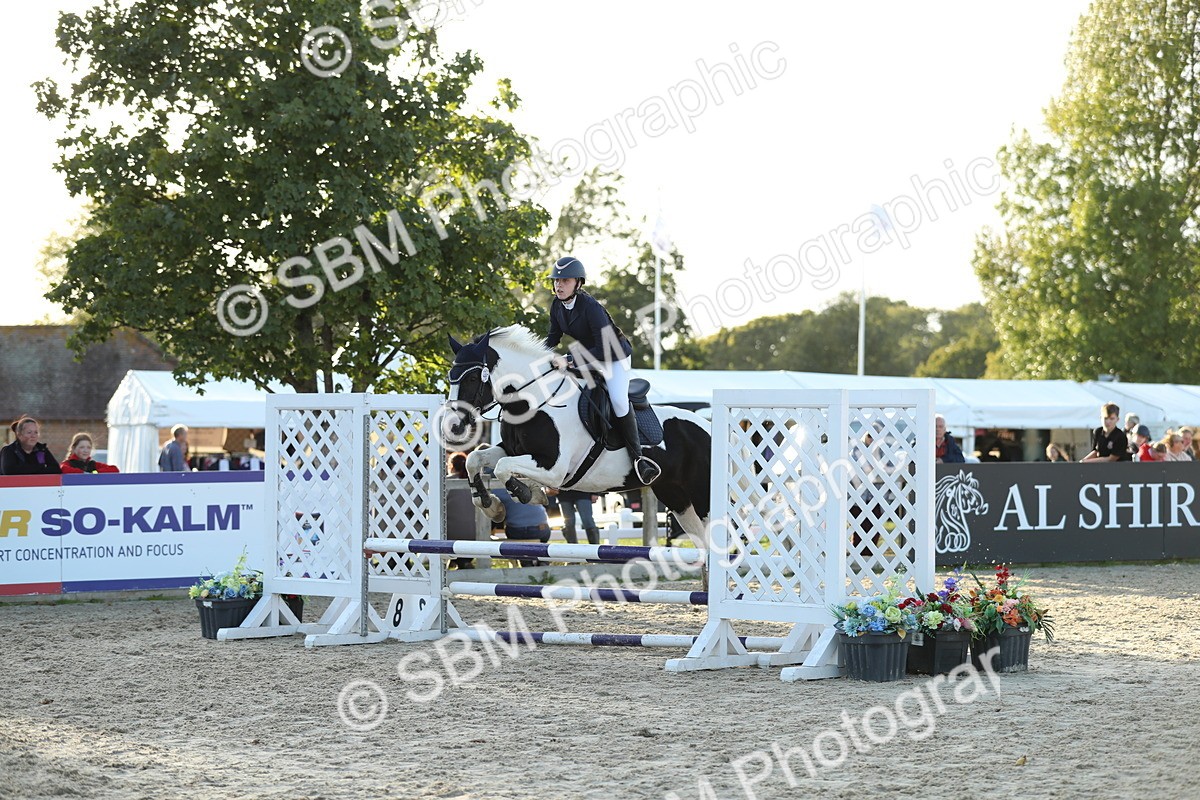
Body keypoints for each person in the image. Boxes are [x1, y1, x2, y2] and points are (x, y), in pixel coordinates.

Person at [545, 255, 660, 485]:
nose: (559, 285)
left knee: (617, 399)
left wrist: (569, 359)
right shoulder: (557, 306)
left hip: (614, 357)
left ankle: (639, 459)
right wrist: (538, 356)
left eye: (565, 280)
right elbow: (553, 338)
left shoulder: (591, 308)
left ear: (578, 283)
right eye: (556, 280)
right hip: (589, 357)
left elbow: (604, 349)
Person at [492, 486, 551, 567]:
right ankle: (542, 559)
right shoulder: (526, 483)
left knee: (513, 532)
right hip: (540, 529)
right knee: (544, 535)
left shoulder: (496, 491)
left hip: (517, 530)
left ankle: (526, 561)